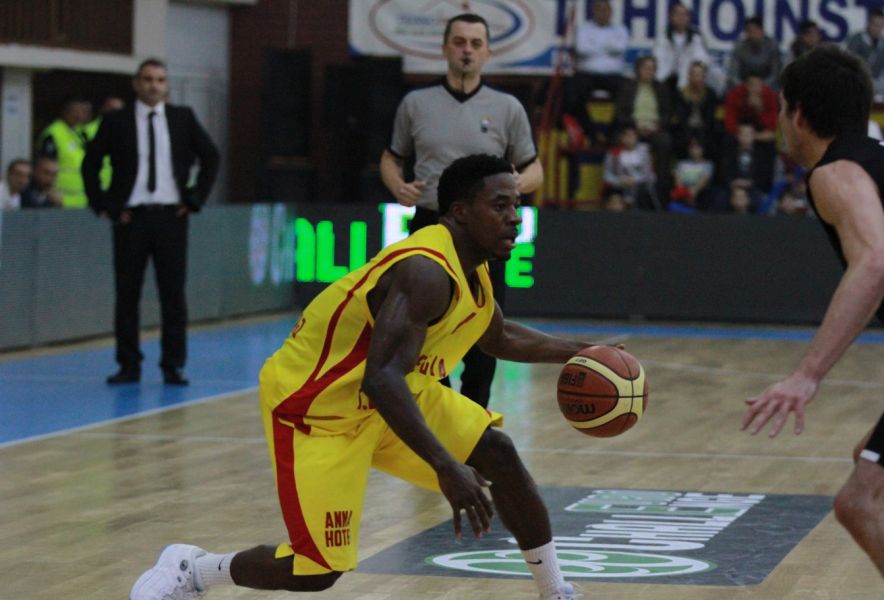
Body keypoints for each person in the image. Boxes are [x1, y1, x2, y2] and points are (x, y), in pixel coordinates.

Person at [129, 154, 585, 600]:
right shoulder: (425, 269)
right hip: (319, 407)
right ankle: (193, 569)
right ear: (461, 212)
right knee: (316, 571)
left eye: (516, 205)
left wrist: (583, 353)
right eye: (500, 205)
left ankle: (555, 591)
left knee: (497, 452)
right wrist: (445, 466)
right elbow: (380, 378)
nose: (514, 217)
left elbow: (498, 336)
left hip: (393, 395)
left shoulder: (473, 268)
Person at [741, 45, 884, 596]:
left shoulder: (835, 172)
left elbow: (876, 262)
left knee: (861, 503)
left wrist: (807, 375)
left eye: (782, 109)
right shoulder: (879, 158)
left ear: (799, 115)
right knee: (874, 471)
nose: (781, 122)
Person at [379, 13, 543, 408]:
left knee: (484, 329)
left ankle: (474, 418)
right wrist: (398, 186)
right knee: (424, 328)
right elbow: (391, 157)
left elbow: (534, 167)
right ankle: (439, 412)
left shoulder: (507, 107)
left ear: (487, 52)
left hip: (486, 232)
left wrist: (517, 185)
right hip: (431, 225)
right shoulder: (416, 103)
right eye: (459, 42)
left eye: (475, 43)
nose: (467, 50)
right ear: (444, 48)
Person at [82, 58, 219, 386]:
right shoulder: (116, 121)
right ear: (136, 83)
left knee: (173, 295)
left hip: (171, 217)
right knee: (127, 294)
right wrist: (105, 205)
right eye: (147, 79)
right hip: (132, 218)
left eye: (159, 80)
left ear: (166, 85)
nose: (153, 85)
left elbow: (211, 156)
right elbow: (91, 164)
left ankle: (173, 364)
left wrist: (194, 198)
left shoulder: (182, 118)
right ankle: (128, 364)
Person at [566, 0, 630, 141]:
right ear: (594, 11)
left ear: (611, 12)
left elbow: (620, 48)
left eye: (605, 9)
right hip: (586, 73)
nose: (602, 13)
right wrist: (607, 47)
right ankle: (591, 132)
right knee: (573, 95)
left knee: (627, 96)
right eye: (599, 9)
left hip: (612, 75)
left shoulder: (620, 29)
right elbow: (582, 49)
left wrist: (594, 46)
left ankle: (610, 134)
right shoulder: (583, 28)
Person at [613, 55, 674, 190]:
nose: (649, 71)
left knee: (665, 141)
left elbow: (667, 113)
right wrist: (635, 126)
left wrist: (657, 126)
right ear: (638, 70)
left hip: (654, 128)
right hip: (632, 127)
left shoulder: (661, 88)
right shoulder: (627, 87)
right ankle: (620, 186)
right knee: (622, 139)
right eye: (646, 68)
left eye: (652, 69)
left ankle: (660, 185)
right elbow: (620, 113)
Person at [35, 97, 91, 208]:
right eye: (74, 111)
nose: (78, 115)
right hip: (60, 198)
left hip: (80, 199)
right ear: (65, 112)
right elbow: (44, 166)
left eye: (81, 111)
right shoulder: (54, 133)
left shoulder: (80, 133)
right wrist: (48, 191)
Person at [654, 2, 711, 94]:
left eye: (684, 15)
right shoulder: (663, 36)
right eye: (677, 14)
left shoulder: (695, 37)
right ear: (671, 17)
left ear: (688, 18)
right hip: (666, 79)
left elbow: (702, 58)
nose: (680, 18)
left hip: (688, 81)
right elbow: (658, 58)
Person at [846, 9, 884, 98]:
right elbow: (849, 64)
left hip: (877, 83)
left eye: (880, 25)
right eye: (875, 24)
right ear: (869, 23)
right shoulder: (857, 40)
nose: (877, 29)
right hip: (859, 82)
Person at [602, 123, 657, 210]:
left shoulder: (644, 152)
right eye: (626, 135)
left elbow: (650, 175)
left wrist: (635, 180)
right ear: (621, 137)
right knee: (614, 198)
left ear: (637, 137)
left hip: (640, 188)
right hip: (620, 187)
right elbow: (607, 176)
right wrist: (621, 181)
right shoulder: (613, 154)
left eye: (632, 135)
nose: (629, 138)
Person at [672, 61, 721, 158]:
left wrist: (700, 141)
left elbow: (711, 118)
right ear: (689, 76)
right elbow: (680, 119)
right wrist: (692, 141)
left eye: (699, 74)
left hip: (705, 131)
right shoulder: (681, 94)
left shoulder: (711, 94)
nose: (696, 78)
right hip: (686, 131)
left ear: (704, 77)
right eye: (694, 74)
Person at [727, 16, 782, 89]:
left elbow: (774, 74)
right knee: (729, 85)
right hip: (744, 85)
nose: (751, 35)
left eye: (754, 31)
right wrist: (744, 87)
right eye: (748, 31)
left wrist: (760, 87)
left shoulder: (772, 46)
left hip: (766, 86)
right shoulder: (740, 47)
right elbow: (733, 73)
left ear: (762, 31)